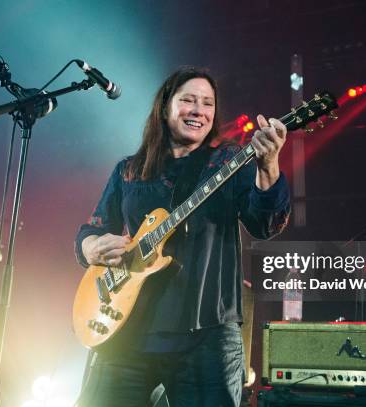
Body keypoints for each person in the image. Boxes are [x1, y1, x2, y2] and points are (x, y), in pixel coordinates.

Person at [75, 66, 290, 407]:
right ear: (165, 108)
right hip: (126, 330)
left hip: (205, 334)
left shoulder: (228, 161)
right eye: (188, 100)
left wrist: (269, 166)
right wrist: (90, 246)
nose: (199, 110)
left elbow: (266, 224)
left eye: (207, 103)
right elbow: (94, 228)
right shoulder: (129, 170)